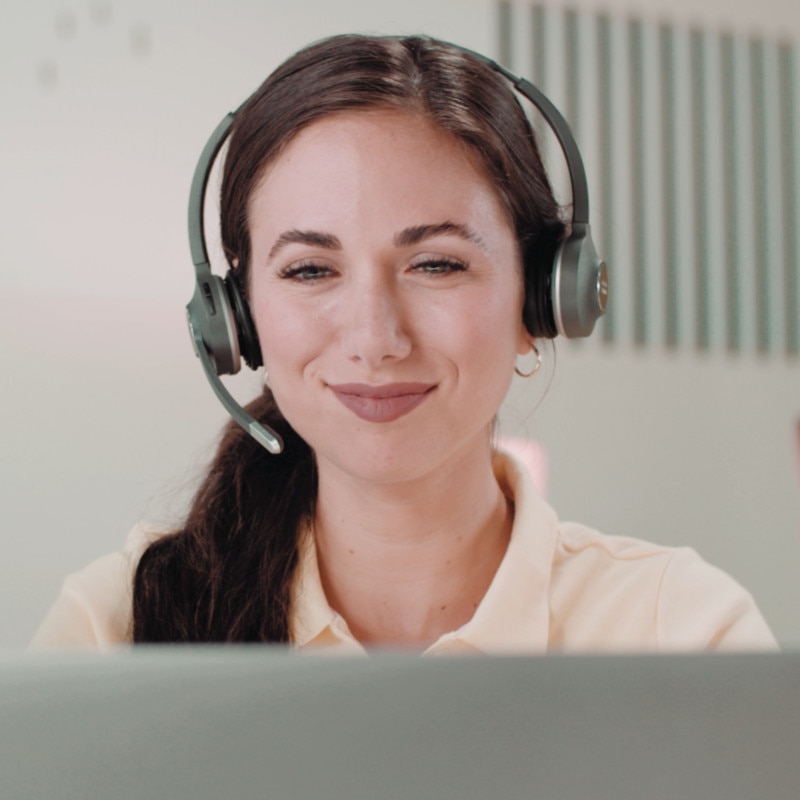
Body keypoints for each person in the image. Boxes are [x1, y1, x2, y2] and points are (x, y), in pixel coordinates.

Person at [32, 34, 775, 652]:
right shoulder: (119, 629)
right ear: (239, 319)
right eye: (311, 269)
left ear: (541, 299)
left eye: (437, 264)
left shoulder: (678, 630)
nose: (376, 339)